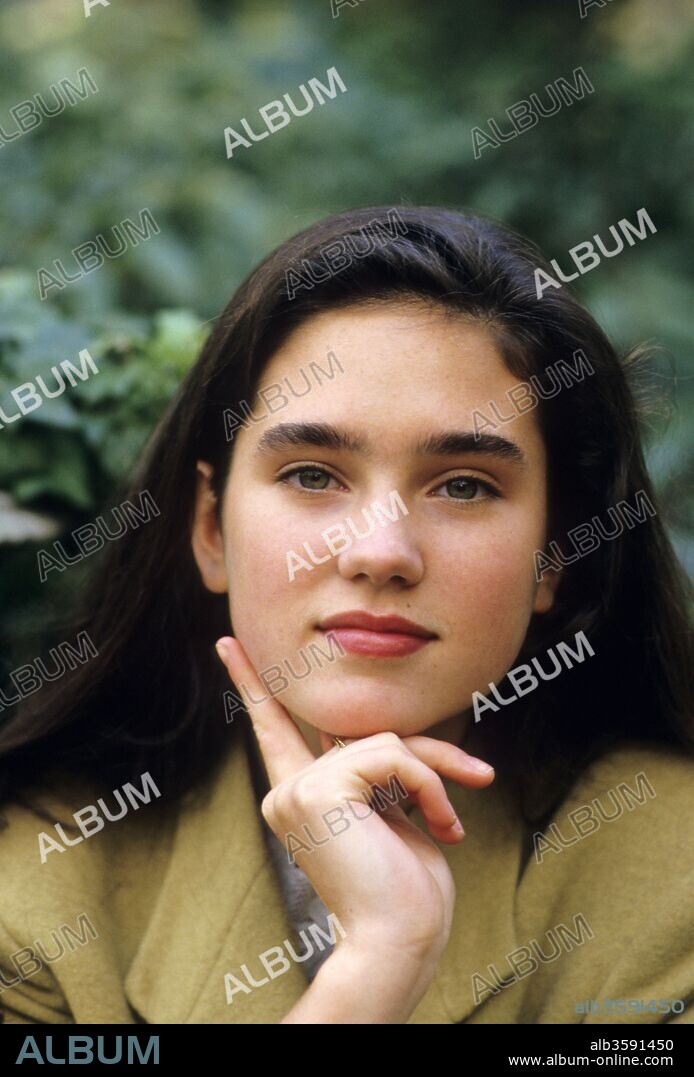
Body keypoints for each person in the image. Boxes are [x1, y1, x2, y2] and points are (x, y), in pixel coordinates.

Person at [0, 206, 691, 1025]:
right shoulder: (36, 883)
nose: (381, 552)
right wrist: (378, 963)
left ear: (554, 556)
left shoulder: (673, 869)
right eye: (313, 475)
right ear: (211, 527)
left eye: (463, 484)